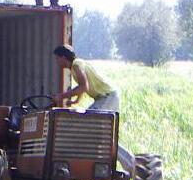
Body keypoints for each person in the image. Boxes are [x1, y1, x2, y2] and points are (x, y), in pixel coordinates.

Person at [51, 44, 134, 172]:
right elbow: (83, 88)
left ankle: (130, 163)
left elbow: (84, 87)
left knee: (90, 126)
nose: (56, 62)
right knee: (98, 134)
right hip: (105, 97)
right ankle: (122, 162)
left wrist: (61, 96)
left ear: (63, 57)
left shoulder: (77, 65)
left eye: (57, 58)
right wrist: (75, 101)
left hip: (107, 97)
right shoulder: (76, 68)